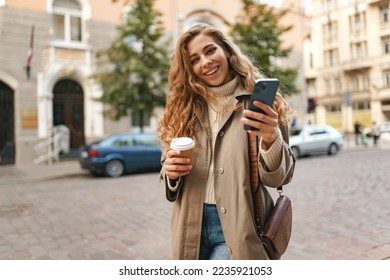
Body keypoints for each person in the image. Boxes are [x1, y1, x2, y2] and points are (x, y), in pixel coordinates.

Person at [157, 24, 295, 260]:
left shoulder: (260, 103)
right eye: (195, 59)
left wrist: (271, 138)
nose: (205, 62)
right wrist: (170, 173)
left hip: (239, 227)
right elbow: (169, 175)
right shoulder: (184, 108)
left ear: (227, 51)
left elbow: (279, 178)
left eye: (210, 51)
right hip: (189, 226)